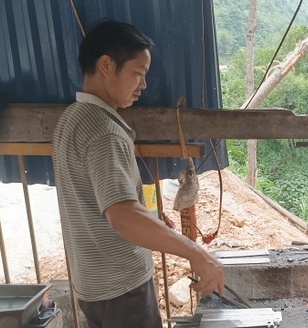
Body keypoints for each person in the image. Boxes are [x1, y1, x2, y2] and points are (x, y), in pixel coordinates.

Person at [52, 19, 224, 328]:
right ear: (106, 64)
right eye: (138, 74)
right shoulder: (105, 133)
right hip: (121, 289)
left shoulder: (72, 118)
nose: (143, 85)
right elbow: (123, 214)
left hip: (92, 284)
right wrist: (197, 253)